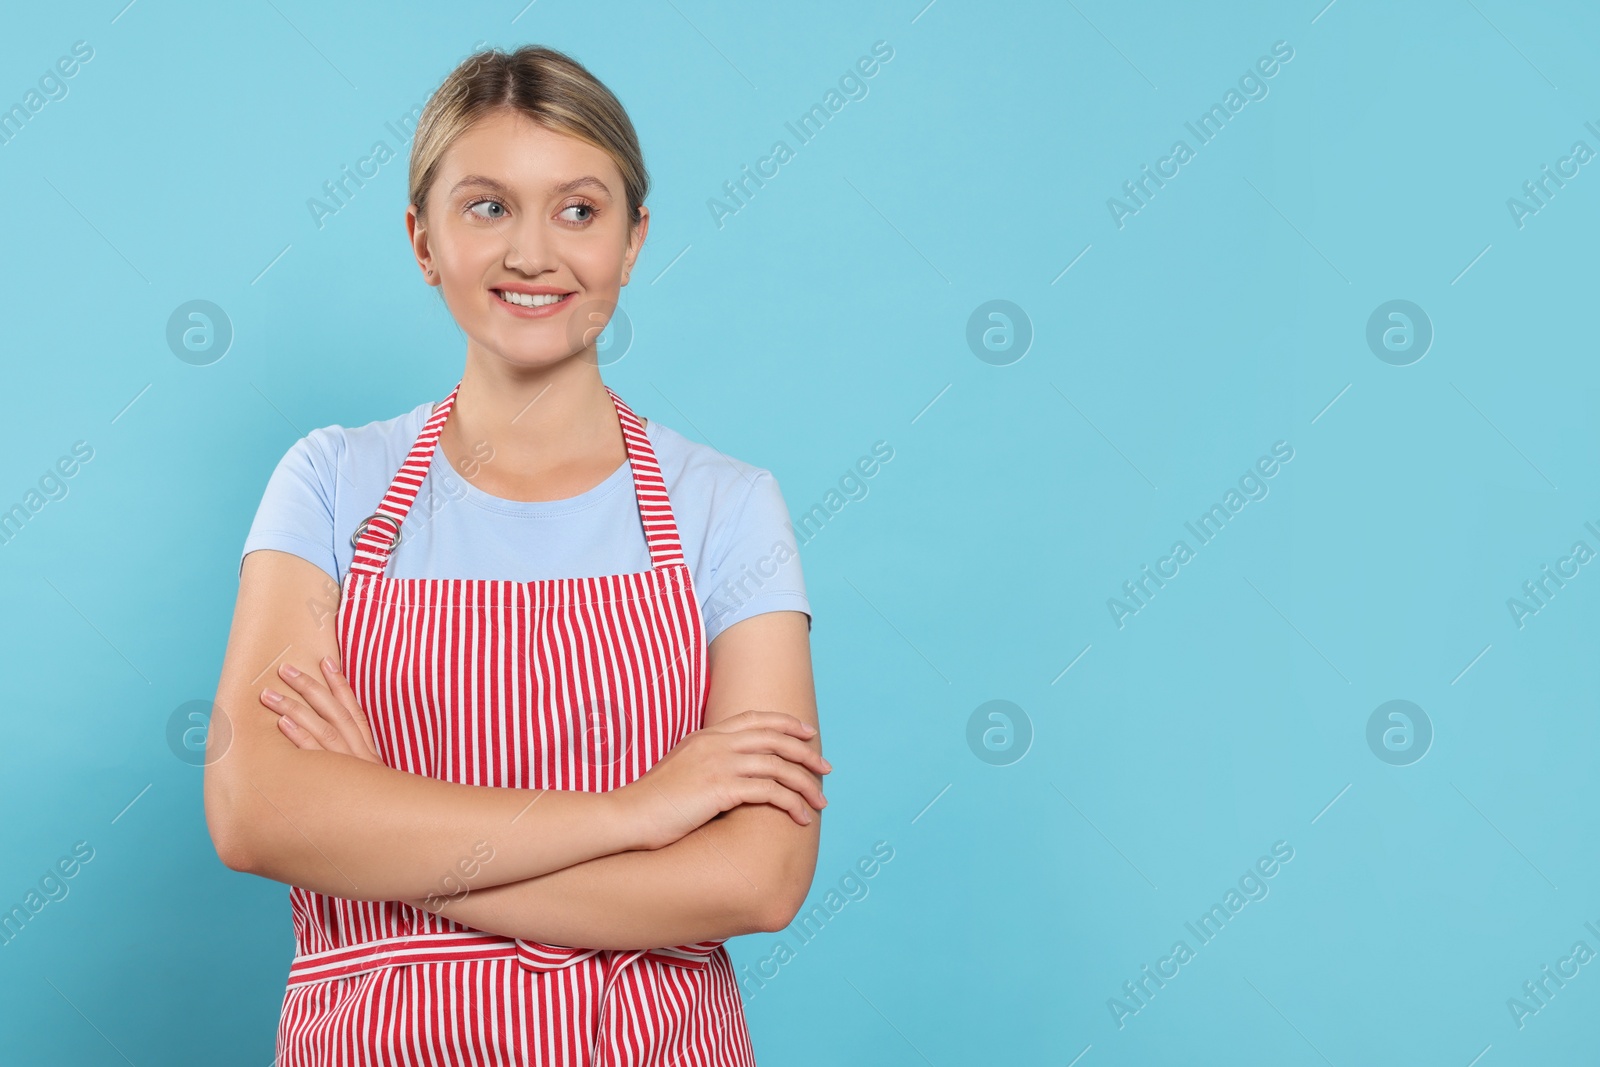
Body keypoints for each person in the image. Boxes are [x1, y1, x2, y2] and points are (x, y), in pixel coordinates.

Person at [203, 44, 829, 1065]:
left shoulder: (728, 507)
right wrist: (635, 813)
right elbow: (253, 807)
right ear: (422, 239)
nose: (533, 253)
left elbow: (757, 875)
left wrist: (383, 832)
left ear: (634, 241)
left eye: (578, 210)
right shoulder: (329, 483)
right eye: (487, 206)